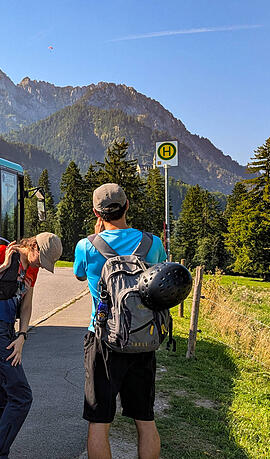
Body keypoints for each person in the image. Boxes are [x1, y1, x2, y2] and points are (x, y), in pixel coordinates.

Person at [74, 183, 167, 459]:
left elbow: (80, 275)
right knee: (145, 419)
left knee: (99, 421)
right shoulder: (152, 244)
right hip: (143, 337)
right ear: (127, 206)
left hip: (103, 339)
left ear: (96, 212)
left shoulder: (86, 247)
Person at [0, 232, 62, 459]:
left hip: (8, 331)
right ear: (34, 247)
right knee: (22, 396)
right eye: (42, 259)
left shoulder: (33, 269)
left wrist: (22, 336)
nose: (41, 264)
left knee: (1, 395)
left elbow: (26, 305)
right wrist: (4, 266)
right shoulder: (3, 252)